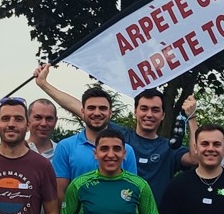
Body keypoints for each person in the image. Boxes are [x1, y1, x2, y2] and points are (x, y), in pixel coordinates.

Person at [35, 65, 197, 200]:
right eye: (144, 109)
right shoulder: (118, 137)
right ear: (135, 112)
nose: (149, 114)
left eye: (155, 110)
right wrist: (44, 84)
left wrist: (191, 117)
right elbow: (81, 108)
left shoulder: (169, 148)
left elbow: (197, 158)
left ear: (163, 115)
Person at [49, 85, 139, 196]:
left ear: (110, 113)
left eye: (102, 108)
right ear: (83, 111)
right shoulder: (65, 147)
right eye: (91, 108)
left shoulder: (126, 150)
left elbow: (132, 190)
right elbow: (60, 192)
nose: (97, 113)